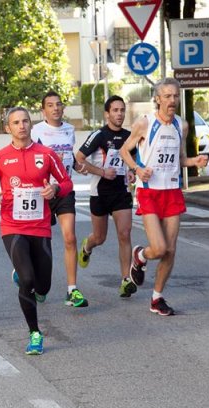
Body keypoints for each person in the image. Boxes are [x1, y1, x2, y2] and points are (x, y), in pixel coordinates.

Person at [0, 107, 72, 355]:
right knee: (28, 279)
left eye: (25, 121)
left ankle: (24, 277)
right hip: (13, 225)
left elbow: (66, 182)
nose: (21, 126)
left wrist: (55, 190)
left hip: (40, 226)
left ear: (31, 124)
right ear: (8, 128)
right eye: (16, 122)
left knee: (44, 287)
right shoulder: (0, 157)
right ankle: (35, 333)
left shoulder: (47, 154)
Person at [120, 78, 209, 316]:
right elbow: (124, 150)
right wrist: (137, 169)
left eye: (175, 96)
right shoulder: (145, 123)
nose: (172, 101)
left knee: (170, 250)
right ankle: (140, 255)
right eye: (167, 96)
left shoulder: (182, 125)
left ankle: (157, 297)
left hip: (172, 191)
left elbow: (181, 159)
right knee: (158, 248)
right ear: (157, 99)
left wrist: (195, 161)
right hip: (149, 191)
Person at [28, 90, 88, 307]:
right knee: (39, 244)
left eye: (58, 104)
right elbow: (28, 157)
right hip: (42, 192)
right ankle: (33, 280)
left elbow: (69, 155)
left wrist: (77, 165)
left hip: (63, 189)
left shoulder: (69, 130)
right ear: (43, 111)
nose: (55, 108)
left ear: (63, 108)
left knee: (70, 238)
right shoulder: (35, 132)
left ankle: (72, 290)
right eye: (50, 105)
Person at [75, 95, 136, 298]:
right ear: (107, 114)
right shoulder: (99, 136)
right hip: (100, 192)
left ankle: (126, 280)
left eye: (122, 110)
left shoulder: (130, 136)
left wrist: (132, 172)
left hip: (121, 193)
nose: (119, 114)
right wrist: (102, 172)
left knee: (124, 234)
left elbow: (135, 161)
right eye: (115, 110)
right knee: (100, 237)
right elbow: (79, 158)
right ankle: (87, 246)